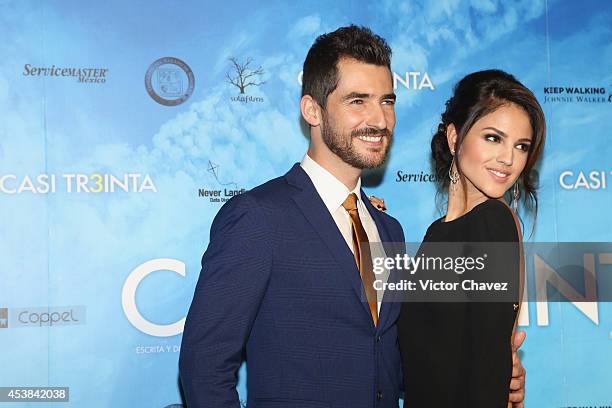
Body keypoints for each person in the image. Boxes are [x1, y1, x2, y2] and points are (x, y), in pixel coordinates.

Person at [179, 25, 526, 408]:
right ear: (313, 109)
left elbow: (392, 364)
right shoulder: (259, 218)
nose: (379, 119)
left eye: (387, 101)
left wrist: (493, 370)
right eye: (358, 101)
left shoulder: (388, 229)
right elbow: (204, 366)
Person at [398, 70, 545, 407]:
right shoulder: (436, 234)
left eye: (521, 146)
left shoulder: (494, 224)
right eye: (494, 138)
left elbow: (484, 372)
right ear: (454, 137)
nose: (508, 159)